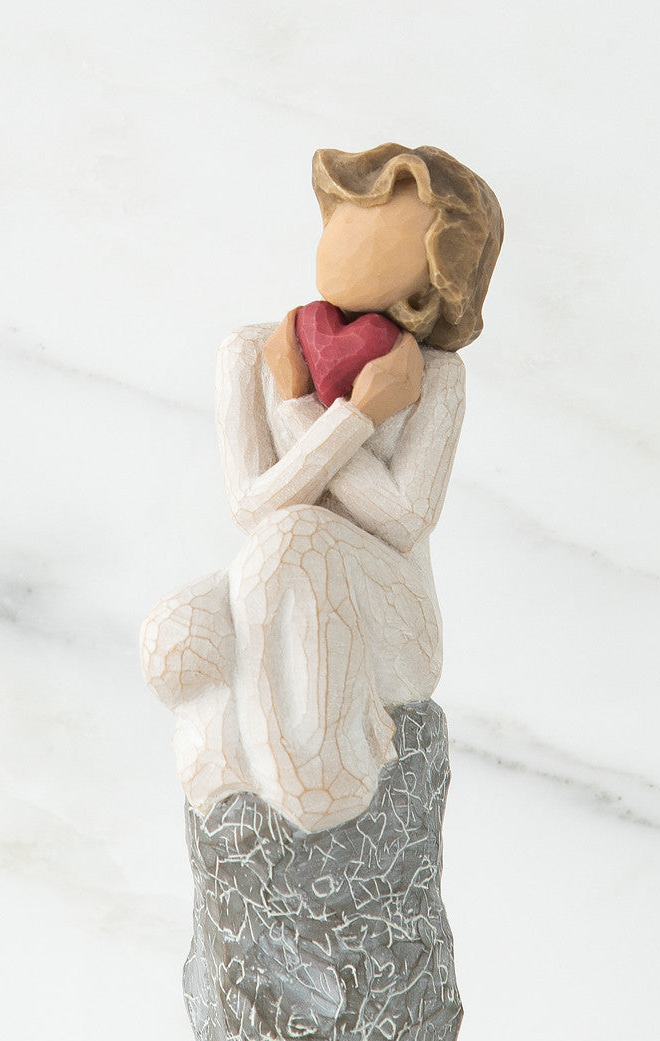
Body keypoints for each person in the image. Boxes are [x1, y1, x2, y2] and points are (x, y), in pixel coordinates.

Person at [141, 144, 503, 832]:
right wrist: (339, 412)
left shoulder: (431, 378)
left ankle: (322, 787)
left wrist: (315, 412)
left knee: (295, 539)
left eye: (382, 226)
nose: (349, 229)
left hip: (387, 616)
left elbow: (402, 518)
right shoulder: (254, 352)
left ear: (424, 289)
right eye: (351, 209)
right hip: (272, 582)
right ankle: (232, 773)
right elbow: (250, 505)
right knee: (176, 631)